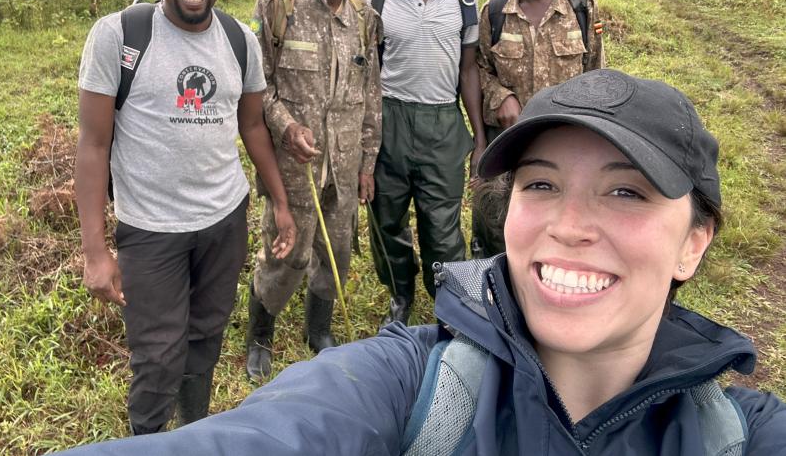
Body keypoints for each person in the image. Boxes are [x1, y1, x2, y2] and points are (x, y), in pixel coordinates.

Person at [61, 69, 785, 455]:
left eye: (625, 191)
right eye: (541, 183)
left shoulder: (742, 436)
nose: (568, 226)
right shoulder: (413, 385)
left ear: (696, 239)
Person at [75, 0, 295, 434]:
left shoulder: (240, 40)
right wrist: (94, 251)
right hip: (150, 229)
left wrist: (280, 203)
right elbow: (93, 144)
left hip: (224, 219)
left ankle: (193, 428)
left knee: (206, 336)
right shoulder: (119, 36)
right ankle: (147, 440)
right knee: (156, 355)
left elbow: (253, 128)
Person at [243, 0, 382, 381]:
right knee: (286, 252)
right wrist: (285, 127)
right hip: (292, 166)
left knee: (336, 251)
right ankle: (260, 336)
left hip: (343, 167)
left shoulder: (366, 18)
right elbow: (258, 86)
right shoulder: (277, 5)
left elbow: (371, 94)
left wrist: (368, 162)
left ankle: (317, 331)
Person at [368, 0, 487, 326]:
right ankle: (400, 292)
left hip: (442, 122)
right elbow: (369, 73)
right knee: (386, 217)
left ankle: (447, 302)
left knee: (443, 223)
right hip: (390, 120)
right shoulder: (377, 0)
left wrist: (479, 137)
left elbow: (468, 68)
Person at [473, 0, 604, 257]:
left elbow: (595, 73)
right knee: (496, 221)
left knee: (558, 224)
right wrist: (501, 96)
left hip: (566, 143)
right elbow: (480, 68)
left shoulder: (581, 9)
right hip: (507, 142)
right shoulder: (495, 12)